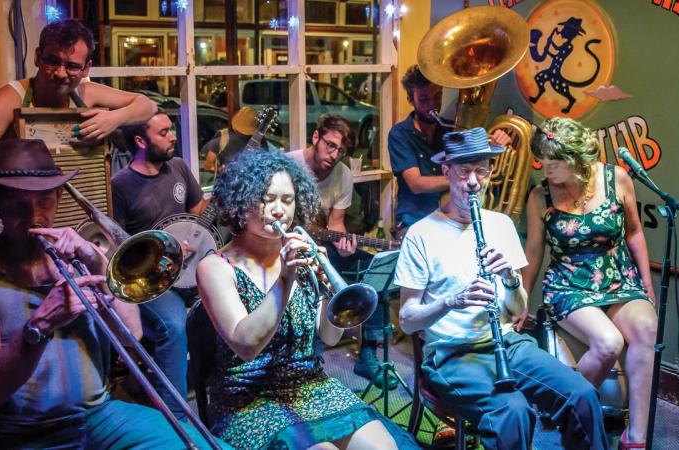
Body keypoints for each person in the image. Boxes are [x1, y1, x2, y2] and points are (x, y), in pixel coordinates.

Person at [0, 138, 226, 449]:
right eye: (18, 203)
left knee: (208, 446)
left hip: (100, 418)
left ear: (60, 197)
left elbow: (132, 335)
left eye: (45, 200)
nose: (34, 214)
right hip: (27, 434)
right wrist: (39, 326)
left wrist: (98, 266)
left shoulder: (77, 258)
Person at [395, 128, 608, 450]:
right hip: (451, 352)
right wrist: (452, 301)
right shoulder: (421, 234)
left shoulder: (501, 225)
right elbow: (408, 319)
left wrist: (509, 278)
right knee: (512, 412)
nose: (473, 182)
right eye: (464, 171)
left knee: (582, 396)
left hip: (506, 341)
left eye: (481, 170)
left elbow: (517, 307)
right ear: (446, 171)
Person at [194, 150, 419, 450]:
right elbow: (246, 345)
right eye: (266, 198)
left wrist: (328, 292)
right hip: (248, 399)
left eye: (287, 200)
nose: (278, 210)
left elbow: (328, 335)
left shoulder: (299, 256)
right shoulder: (215, 267)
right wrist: (285, 279)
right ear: (241, 201)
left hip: (309, 385)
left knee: (384, 448)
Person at [521, 117, 656, 449]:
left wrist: (647, 282)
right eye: (544, 161)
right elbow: (534, 253)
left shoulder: (617, 180)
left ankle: (635, 437)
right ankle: (565, 405)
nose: (546, 170)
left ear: (577, 162)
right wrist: (522, 301)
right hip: (568, 284)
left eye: (554, 164)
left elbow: (634, 232)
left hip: (618, 277)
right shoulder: (540, 197)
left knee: (647, 328)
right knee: (609, 343)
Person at [0, 18, 156, 184]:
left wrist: (114, 118)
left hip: (83, 224)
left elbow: (147, 105)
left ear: (86, 68)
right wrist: (21, 183)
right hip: (28, 220)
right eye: (53, 61)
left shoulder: (85, 93)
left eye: (72, 66)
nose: (61, 73)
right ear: (37, 57)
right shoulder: (13, 97)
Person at [286, 115, 396, 389]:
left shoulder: (344, 174)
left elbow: (335, 224)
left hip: (321, 244)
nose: (334, 155)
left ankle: (368, 353)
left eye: (341, 151)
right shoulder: (288, 164)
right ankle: (310, 359)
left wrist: (344, 249)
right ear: (315, 138)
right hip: (284, 248)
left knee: (374, 268)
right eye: (330, 146)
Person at [111, 111, 208, 421]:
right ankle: (176, 420)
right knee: (173, 325)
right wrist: (161, 250)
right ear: (140, 141)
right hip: (149, 281)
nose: (173, 136)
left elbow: (198, 214)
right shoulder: (120, 186)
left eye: (172, 130)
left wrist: (221, 194)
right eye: (164, 132)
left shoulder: (177, 168)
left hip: (188, 270)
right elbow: (118, 251)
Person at [388, 65, 511, 237]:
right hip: (414, 220)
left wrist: (497, 141)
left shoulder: (451, 129)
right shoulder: (399, 134)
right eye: (424, 99)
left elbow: (475, 161)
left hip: (451, 219)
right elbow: (416, 184)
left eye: (437, 96)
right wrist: (462, 178)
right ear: (410, 99)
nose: (433, 104)